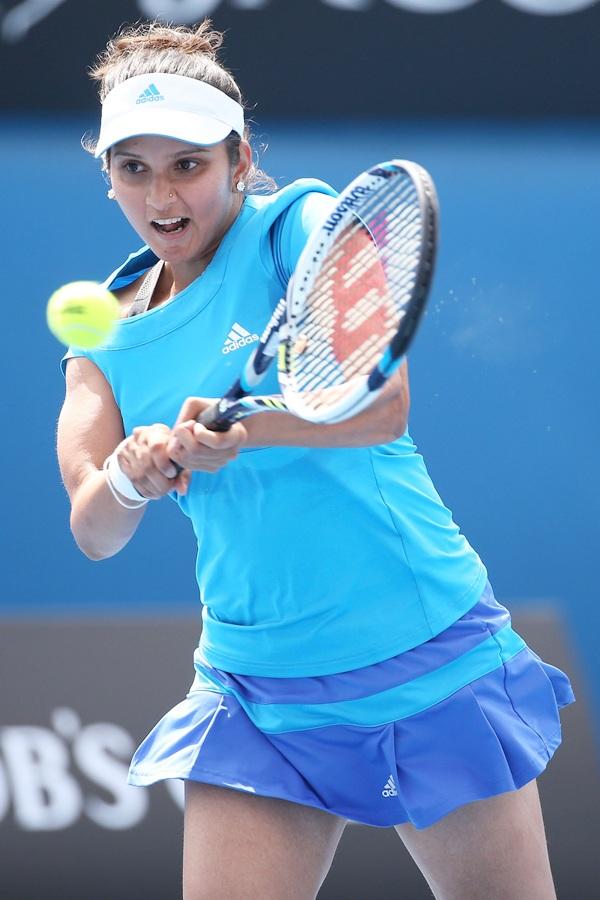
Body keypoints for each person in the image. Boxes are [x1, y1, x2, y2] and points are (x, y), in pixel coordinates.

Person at [57, 19, 574, 900]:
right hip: (257, 692)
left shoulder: (300, 227)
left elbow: (382, 404)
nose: (161, 192)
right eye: (133, 167)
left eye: (188, 163)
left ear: (239, 160)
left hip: (421, 651)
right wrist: (130, 477)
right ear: (105, 177)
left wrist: (247, 428)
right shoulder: (100, 333)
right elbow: (92, 530)